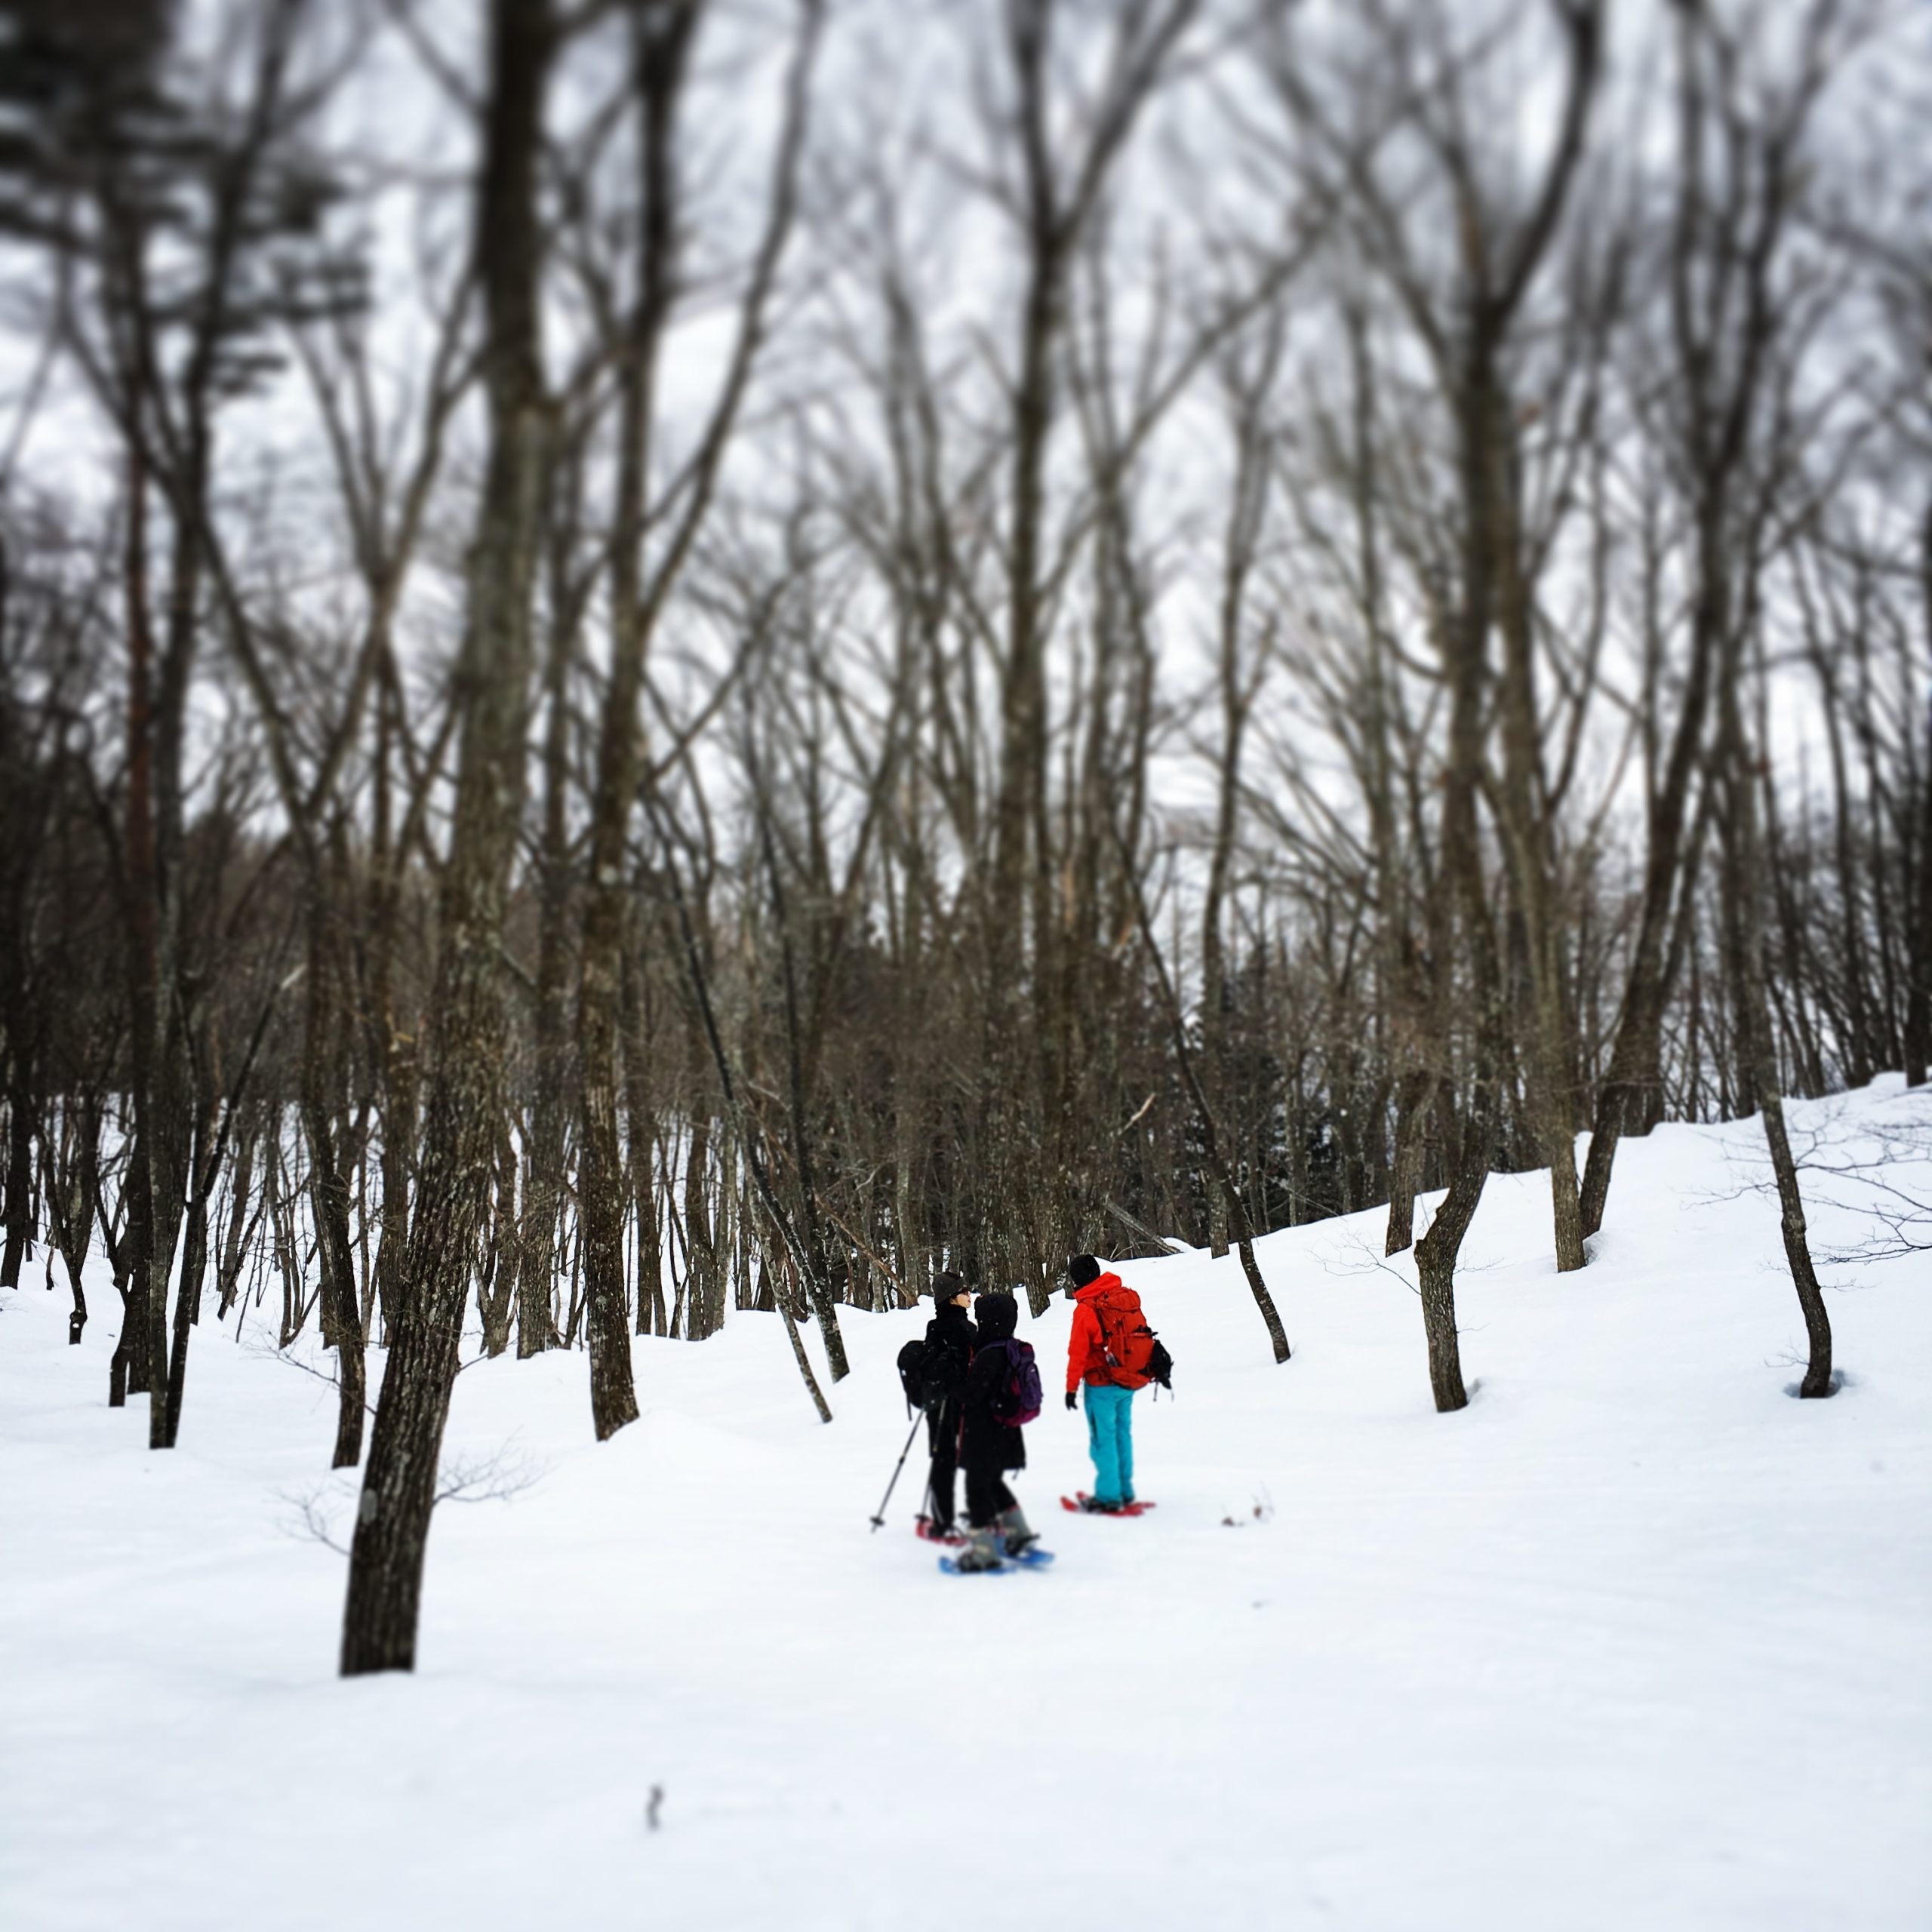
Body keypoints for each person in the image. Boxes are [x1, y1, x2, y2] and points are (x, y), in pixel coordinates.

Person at [953, 1290, 1041, 1572]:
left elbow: (972, 1394)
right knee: (993, 1484)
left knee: (977, 1489)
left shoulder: (990, 1355)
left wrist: (950, 1385)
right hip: (1004, 1431)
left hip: (984, 1434)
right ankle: (1020, 1533)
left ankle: (983, 1552)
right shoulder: (1009, 1347)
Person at [1063, 1254, 1149, 1512]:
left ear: (1076, 1280)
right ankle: (1125, 1490)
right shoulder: (1119, 1297)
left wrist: (1071, 1388)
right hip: (1127, 1377)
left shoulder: (1086, 1309)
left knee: (1104, 1440)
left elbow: (1078, 1352)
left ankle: (1109, 1497)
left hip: (1101, 1383)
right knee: (1123, 1434)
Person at [917, 1271, 976, 1540]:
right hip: (954, 1402)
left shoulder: (936, 1326)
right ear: (952, 1299)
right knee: (950, 1459)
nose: (969, 1295)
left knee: (944, 1458)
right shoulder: (964, 1329)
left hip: (939, 1402)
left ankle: (943, 1517)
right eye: (964, 1292)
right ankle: (944, 1522)